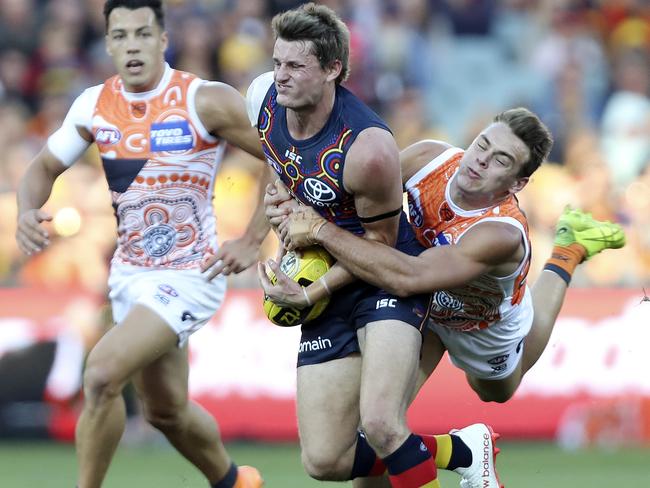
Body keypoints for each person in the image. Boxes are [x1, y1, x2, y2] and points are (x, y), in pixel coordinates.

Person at [15, 1, 268, 487]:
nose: (133, 44)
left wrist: (253, 238)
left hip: (191, 273)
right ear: (108, 44)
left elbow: (282, 157)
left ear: (163, 39)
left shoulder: (204, 100)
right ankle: (236, 482)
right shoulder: (93, 105)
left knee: (101, 375)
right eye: (121, 35)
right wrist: (28, 208)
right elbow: (42, 169)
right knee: (165, 411)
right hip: (129, 276)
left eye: (143, 33)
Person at [253, 4, 502, 488]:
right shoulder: (262, 97)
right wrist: (280, 198)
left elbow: (381, 245)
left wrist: (310, 291)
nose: (280, 77)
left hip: (384, 276)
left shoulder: (368, 149)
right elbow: (274, 151)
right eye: (277, 62)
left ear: (333, 70)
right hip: (332, 280)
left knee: (383, 425)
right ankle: (462, 449)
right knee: (324, 462)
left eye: (295, 66)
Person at [271, 106, 625, 407]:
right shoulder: (429, 159)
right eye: (481, 145)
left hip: (478, 323)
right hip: (425, 303)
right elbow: (351, 204)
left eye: (500, 160)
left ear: (516, 184)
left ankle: (567, 251)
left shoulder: (499, 234)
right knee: (377, 422)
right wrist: (290, 206)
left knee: (495, 393)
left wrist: (314, 276)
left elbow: (407, 275)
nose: (480, 161)